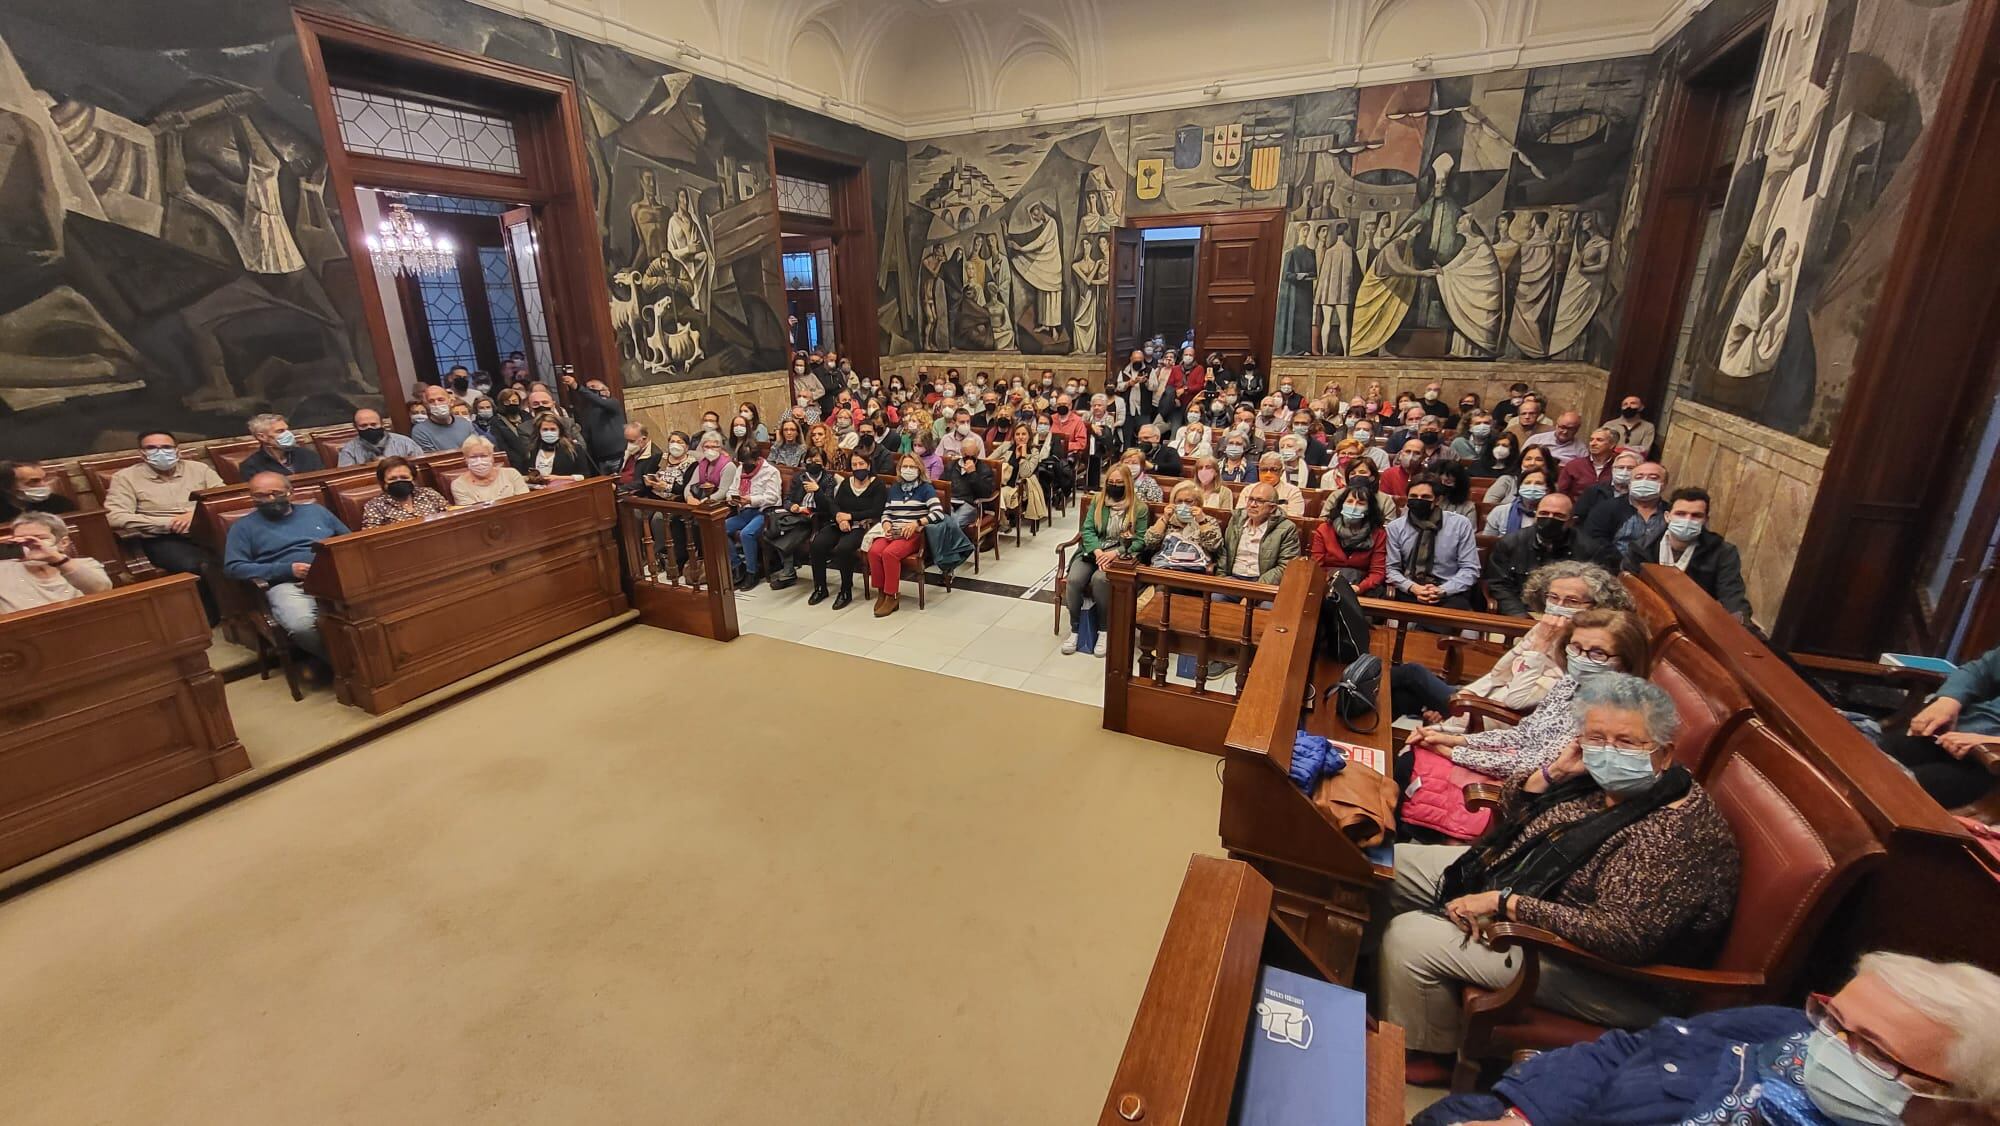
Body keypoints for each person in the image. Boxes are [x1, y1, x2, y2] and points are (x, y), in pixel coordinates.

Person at [1378, 671, 1739, 1084]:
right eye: (1596, 738)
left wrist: (1506, 904)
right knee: (1395, 863)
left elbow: (1622, 936)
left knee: (1409, 937)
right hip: (1533, 884)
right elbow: (1514, 813)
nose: (1607, 751)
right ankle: (1370, 988)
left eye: (1625, 742)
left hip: (1602, 973)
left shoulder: (1671, 836)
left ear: (1663, 754)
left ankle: (1431, 1053)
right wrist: (1553, 774)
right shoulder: (1596, 775)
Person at [1413, 950, 2000, 1126]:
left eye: (1873, 1049)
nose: (1828, 1046)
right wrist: (1522, 1115)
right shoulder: (1783, 1030)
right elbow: (1628, 1048)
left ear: (1969, 1109)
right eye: (1835, 1019)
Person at [1391, 564, 1633, 723]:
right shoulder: (1547, 628)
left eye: (1571, 600)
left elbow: (1517, 702)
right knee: (1402, 697)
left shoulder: (1584, 652)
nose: (1558, 605)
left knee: (1411, 674)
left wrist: (1539, 646)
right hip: (1480, 697)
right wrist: (1468, 692)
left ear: (1597, 606)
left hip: (1493, 716)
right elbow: (1499, 673)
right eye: (1553, 597)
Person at [222, 472, 350, 661]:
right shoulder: (242, 527)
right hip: (288, 584)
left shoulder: (317, 511)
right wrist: (286, 569)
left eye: (276, 493)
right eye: (260, 496)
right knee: (302, 626)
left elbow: (349, 540)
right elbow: (234, 567)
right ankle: (344, 666)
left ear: (291, 493)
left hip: (335, 574)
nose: (270, 500)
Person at [103, 432, 226, 616]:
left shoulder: (199, 469)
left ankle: (241, 611)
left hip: (206, 531)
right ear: (142, 453)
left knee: (237, 554)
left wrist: (194, 515)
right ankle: (212, 618)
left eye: (166, 447)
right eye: (152, 448)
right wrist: (167, 523)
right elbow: (115, 516)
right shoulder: (125, 478)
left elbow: (224, 498)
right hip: (163, 538)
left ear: (177, 450)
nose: (160, 452)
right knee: (197, 565)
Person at [1880, 643, 2000, 808]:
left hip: (1987, 765)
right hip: (1951, 734)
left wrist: (1991, 742)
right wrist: (1950, 699)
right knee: (1864, 758)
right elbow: (1980, 671)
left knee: (1891, 793)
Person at [1621, 487, 1751, 620]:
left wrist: (1739, 622)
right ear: (1667, 516)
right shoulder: (1641, 548)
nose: (1687, 520)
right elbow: (1627, 588)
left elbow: (1732, 596)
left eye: (1696, 516)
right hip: (1647, 615)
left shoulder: (1723, 552)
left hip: (1697, 620)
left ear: (1705, 520)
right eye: (1680, 514)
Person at [1063, 462, 1147, 656]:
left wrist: (1115, 552)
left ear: (1127, 483)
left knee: (1100, 580)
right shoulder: (1099, 500)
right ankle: (1075, 629)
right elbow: (1088, 529)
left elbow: (1140, 540)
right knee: (1074, 580)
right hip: (1093, 553)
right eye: (1111, 481)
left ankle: (1103, 629)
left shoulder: (1139, 508)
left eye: (1119, 482)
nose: (1114, 485)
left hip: (1119, 555)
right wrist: (1098, 551)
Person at [864, 453, 942, 617]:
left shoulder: (926, 488)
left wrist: (917, 523)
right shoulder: (895, 487)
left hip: (913, 534)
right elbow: (887, 512)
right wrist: (886, 524)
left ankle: (892, 595)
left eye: (912, 467)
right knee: (874, 551)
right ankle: (882, 592)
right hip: (893, 530)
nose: (908, 470)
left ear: (919, 469)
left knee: (889, 553)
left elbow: (938, 513)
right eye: (905, 466)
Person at [1388, 475, 1481, 611]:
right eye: (1413, 496)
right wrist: (1414, 588)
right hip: (1409, 590)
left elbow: (1470, 569)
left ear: (1438, 500)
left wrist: (1441, 590)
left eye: (1425, 497)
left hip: (1449, 592)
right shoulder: (1395, 527)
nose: (1418, 501)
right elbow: (1391, 569)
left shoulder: (1460, 524)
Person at [808, 449, 886, 610]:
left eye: (861, 464)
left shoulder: (877, 485)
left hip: (862, 526)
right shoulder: (846, 482)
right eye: (854, 464)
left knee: (843, 549)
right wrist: (838, 516)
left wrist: (850, 516)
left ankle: (845, 590)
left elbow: (876, 511)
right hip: (840, 523)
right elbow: (835, 503)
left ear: (869, 464)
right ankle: (820, 587)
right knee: (818, 544)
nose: (858, 467)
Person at [1487, 492, 1579, 616]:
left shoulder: (1590, 549)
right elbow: (1499, 586)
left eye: (1558, 516)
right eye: (1544, 513)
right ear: (1535, 516)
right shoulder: (1510, 543)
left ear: (1571, 521)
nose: (1549, 519)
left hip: (1568, 616)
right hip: (1521, 613)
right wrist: (1520, 616)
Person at [0, 511, 111, 614]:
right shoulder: (3, 571)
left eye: (39, 538)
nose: (30, 544)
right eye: (21, 539)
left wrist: (55, 558)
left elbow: (102, 590)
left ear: (63, 543)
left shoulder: (85, 565)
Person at [763, 449, 832, 590]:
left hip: (817, 518)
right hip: (797, 514)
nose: (813, 464)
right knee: (779, 527)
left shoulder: (829, 479)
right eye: (810, 461)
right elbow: (788, 499)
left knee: (786, 530)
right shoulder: (799, 477)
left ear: (824, 464)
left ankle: (788, 571)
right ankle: (788, 570)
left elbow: (828, 506)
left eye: (817, 461)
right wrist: (792, 506)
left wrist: (817, 491)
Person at [719, 440, 781, 590]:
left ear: (757, 459)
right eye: (743, 462)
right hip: (744, 510)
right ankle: (737, 565)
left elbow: (773, 497)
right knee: (719, 529)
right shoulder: (741, 469)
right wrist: (732, 498)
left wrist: (751, 500)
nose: (746, 466)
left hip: (764, 512)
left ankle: (751, 572)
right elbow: (732, 489)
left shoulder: (770, 471)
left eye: (749, 463)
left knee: (747, 534)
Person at [1220, 482, 1302, 587]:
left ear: (1272, 508)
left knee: (1267, 604)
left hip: (1264, 584)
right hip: (1234, 579)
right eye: (1250, 499)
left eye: (1259, 501)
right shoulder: (1236, 520)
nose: (1252, 505)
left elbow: (1285, 566)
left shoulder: (1286, 528)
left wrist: (1256, 589)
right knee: (1215, 598)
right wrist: (1221, 579)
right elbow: (1223, 553)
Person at [1310, 484, 1388, 596]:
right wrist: (1328, 585)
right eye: (1350, 501)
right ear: (1342, 505)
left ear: (1368, 509)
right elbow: (1317, 567)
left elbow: (1377, 572)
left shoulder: (1378, 534)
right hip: (1326, 586)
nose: (1354, 506)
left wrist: (1359, 588)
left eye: (1361, 503)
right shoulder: (1324, 530)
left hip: (1361, 588)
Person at [1144, 480, 1224, 574]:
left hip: (1195, 571)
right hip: (1167, 569)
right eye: (1179, 502)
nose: (1183, 505)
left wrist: (1201, 521)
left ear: (1198, 503)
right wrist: (1164, 519)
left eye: (1188, 501)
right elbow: (1149, 543)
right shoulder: (1168, 520)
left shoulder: (1208, 521)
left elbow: (1215, 547)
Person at [562, 375, 628, 471]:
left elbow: (600, 401)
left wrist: (577, 387)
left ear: (606, 391)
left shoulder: (613, 404)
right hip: (600, 460)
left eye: (593, 387)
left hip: (618, 457)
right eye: (587, 388)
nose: (589, 390)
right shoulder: (587, 412)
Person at [361, 456, 449, 528]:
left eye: (404, 477)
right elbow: (371, 537)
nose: (399, 481)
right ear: (383, 482)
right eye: (392, 479)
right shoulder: (375, 506)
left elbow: (450, 517)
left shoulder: (429, 494)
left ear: (413, 479)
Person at [451, 436, 531, 504]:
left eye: (484, 456)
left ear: (492, 457)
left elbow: (525, 503)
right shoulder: (459, 485)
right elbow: (471, 515)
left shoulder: (512, 474)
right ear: (465, 459)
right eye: (473, 457)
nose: (479, 461)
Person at [240, 413, 325, 478]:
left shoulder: (308, 455)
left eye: (287, 430)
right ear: (262, 437)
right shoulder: (251, 466)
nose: (288, 434)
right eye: (280, 431)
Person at [1485, 464, 1556, 537]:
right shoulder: (1500, 512)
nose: (1532, 487)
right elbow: (1487, 544)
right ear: (1520, 488)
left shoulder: (1554, 515)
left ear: (1548, 490)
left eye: (1538, 483)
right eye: (1527, 483)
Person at [0, 461, 77, 523]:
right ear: (7, 487)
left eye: (44, 479)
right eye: (34, 481)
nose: (44, 485)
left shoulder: (61, 503)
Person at [409, 386, 477, 455]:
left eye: (441, 400)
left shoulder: (465, 424)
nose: (437, 404)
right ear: (426, 405)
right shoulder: (420, 431)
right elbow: (434, 459)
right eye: (431, 401)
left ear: (451, 402)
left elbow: (477, 449)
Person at [1483, 444, 1555, 509]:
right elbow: (1487, 507)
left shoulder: (1554, 485)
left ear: (1547, 464)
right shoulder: (1507, 480)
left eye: (1539, 459)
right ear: (1521, 462)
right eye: (1528, 459)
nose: (1532, 463)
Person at [1555, 426, 1620, 498]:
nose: (1593, 443)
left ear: (1612, 445)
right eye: (1591, 440)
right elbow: (1561, 493)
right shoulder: (1574, 465)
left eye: (1599, 440)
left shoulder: (1620, 466)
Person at [527, 413, 591, 481]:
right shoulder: (533, 450)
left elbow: (585, 476)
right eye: (545, 429)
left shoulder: (574, 448)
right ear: (539, 431)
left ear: (560, 431)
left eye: (553, 429)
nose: (549, 432)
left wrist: (558, 478)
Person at [488, 388, 537, 470]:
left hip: (533, 457)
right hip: (514, 462)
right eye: (507, 402)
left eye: (514, 401)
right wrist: (517, 460)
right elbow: (501, 445)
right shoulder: (496, 421)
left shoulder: (526, 416)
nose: (511, 404)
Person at [944, 450, 995, 530]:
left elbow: (986, 493)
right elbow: (942, 486)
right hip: (950, 502)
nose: (969, 459)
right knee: (938, 522)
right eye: (967, 456)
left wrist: (972, 474)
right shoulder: (951, 465)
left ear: (977, 454)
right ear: (961, 452)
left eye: (972, 456)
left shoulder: (984, 469)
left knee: (954, 523)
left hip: (970, 504)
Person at [612, 423, 662, 494]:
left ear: (643, 439)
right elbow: (621, 470)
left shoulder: (654, 455)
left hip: (633, 493)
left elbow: (644, 483)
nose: (628, 444)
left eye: (631, 441)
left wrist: (618, 488)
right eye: (627, 440)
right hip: (619, 486)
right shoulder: (630, 449)